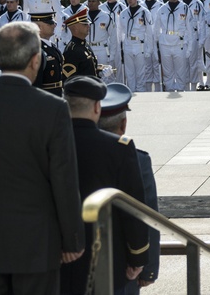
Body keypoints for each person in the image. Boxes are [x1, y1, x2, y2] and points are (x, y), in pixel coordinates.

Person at [0, 22, 85, 294]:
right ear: (36, 61)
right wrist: (72, 240)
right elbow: (64, 180)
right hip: (35, 249)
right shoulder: (53, 109)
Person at [60, 75, 149, 295]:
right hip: (106, 259)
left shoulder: (47, 143)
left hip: (57, 258)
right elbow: (132, 209)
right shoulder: (119, 148)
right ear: (97, 108)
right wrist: (137, 256)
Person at [99, 83, 159, 293]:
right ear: (123, 124)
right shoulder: (137, 159)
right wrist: (149, 269)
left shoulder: (73, 152)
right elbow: (148, 215)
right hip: (126, 265)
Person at [32, 10, 67, 95]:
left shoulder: (51, 46)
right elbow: (36, 82)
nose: (54, 25)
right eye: (50, 23)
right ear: (39, 27)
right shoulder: (36, 49)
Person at [63, 7, 102, 80]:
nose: (88, 26)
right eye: (85, 24)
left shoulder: (84, 44)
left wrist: (99, 71)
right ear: (75, 28)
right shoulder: (72, 50)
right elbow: (70, 79)